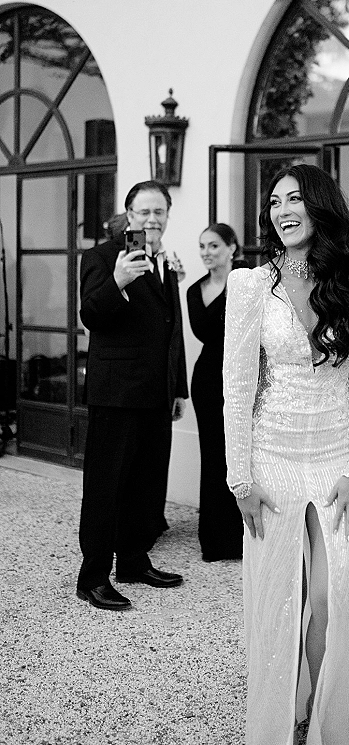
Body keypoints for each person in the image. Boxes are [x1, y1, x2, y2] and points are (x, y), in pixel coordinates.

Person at [223, 163, 349, 745]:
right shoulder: (249, 287)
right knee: (277, 597)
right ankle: (283, 712)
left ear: (320, 207)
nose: (282, 211)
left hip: (336, 455)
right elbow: (236, 386)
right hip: (272, 456)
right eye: (274, 202)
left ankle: (332, 713)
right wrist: (241, 479)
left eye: (294, 200)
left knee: (330, 594)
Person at [76, 179, 188, 611]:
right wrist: (118, 281)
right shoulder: (103, 256)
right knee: (106, 489)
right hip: (115, 393)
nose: (152, 219)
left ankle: (135, 562)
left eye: (159, 212)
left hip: (155, 394)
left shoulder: (162, 262)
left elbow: (170, 329)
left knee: (145, 486)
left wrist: (177, 388)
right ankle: (93, 578)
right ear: (128, 215)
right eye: (144, 212)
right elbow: (91, 314)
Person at [187, 223, 246, 562]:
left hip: (241, 375)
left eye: (213, 246)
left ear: (231, 248)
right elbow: (203, 332)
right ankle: (214, 540)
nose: (207, 253)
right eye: (202, 247)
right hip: (208, 378)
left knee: (240, 455)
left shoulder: (248, 282)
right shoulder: (194, 290)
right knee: (212, 457)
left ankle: (244, 537)